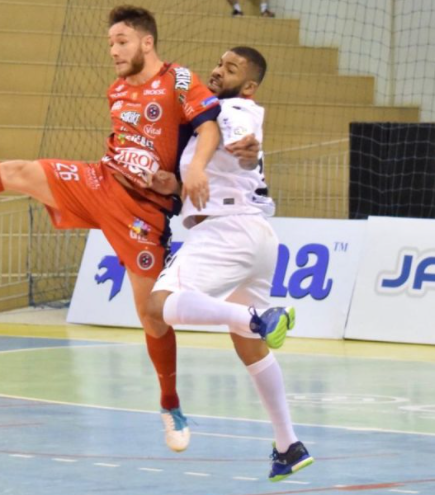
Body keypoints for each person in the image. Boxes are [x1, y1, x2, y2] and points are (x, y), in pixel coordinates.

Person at [0, 5, 258, 453]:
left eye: (121, 42)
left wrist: (192, 172)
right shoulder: (116, 90)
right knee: (21, 171)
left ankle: (170, 404)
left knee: (153, 317)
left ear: (146, 42)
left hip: (143, 213)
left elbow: (209, 126)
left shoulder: (179, 80)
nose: (114, 51)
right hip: (100, 182)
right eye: (110, 44)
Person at [146, 46, 314, 481]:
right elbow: (221, 157)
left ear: (250, 85)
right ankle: (287, 445)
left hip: (226, 232)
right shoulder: (207, 117)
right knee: (247, 345)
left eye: (231, 68)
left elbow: (243, 139)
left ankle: (260, 317)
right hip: (256, 236)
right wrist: (175, 181)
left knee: (157, 306)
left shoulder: (234, 108)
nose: (219, 71)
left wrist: (249, 149)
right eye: (219, 64)